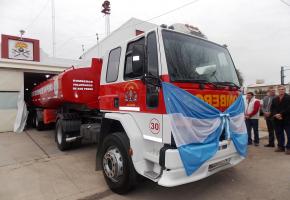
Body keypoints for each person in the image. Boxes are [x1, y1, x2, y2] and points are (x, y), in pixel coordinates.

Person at [270, 85, 290, 154]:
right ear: (278, 90)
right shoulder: (275, 99)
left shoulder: (288, 97)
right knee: (279, 133)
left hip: (287, 119)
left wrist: (281, 114)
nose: (281, 90)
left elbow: (288, 108)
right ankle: (281, 147)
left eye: (283, 89)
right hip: (277, 119)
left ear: (285, 90)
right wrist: (275, 114)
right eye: (280, 89)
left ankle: (289, 148)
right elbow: (272, 108)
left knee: (289, 134)